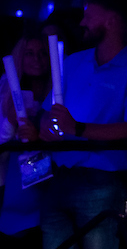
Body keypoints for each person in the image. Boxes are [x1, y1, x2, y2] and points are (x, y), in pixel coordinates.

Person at [34, 0, 127, 249]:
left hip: (103, 182)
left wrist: (76, 128)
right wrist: (46, 127)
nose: (82, 22)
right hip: (59, 175)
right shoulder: (73, 61)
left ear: (110, 22)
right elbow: (47, 113)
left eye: (88, 16)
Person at [0, 34, 51, 247]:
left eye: (42, 53)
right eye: (29, 53)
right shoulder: (5, 89)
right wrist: (11, 123)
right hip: (10, 184)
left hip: (50, 187)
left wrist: (38, 138)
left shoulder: (58, 94)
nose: (36, 59)